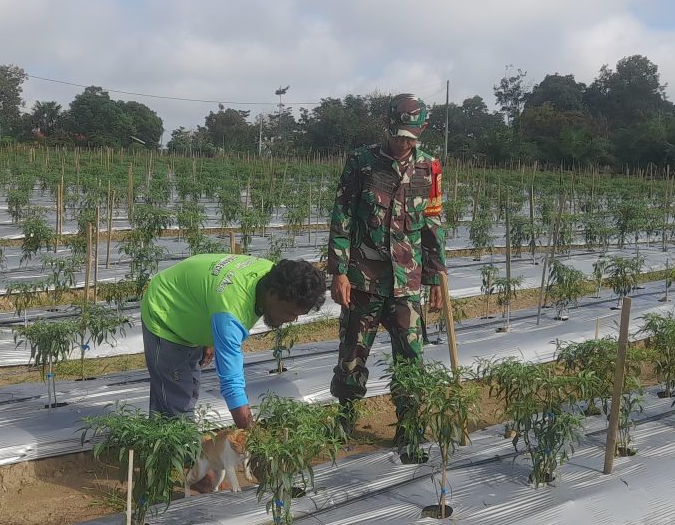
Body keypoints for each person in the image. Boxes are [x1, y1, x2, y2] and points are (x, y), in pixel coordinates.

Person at [327, 93, 448, 463]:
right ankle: (344, 421)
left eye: (410, 137)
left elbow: (432, 221)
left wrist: (437, 273)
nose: (402, 143)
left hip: (406, 283)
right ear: (386, 125)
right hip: (363, 279)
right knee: (352, 356)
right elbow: (343, 215)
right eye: (397, 135)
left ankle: (409, 431)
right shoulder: (361, 162)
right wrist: (339, 271)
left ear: (422, 130)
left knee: (411, 361)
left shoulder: (431, 168)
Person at [139, 254, 328, 430]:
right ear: (273, 294)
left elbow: (212, 294)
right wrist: (249, 431)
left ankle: (159, 452)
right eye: (290, 312)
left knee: (183, 390)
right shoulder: (231, 311)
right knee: (177, 402)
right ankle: (183, 461)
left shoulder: (271, 275)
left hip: (189, 303)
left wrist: (212, 336)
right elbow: (231, 382)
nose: (292, 320)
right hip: (165, 312)